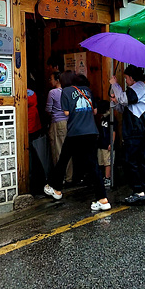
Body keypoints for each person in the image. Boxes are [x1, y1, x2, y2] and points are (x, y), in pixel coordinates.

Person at [44, 71, 110, 211]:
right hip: (91, 131)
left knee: (63, 160)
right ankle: (103, 199)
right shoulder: (87, 90)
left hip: (75, 131)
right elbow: (95, 111)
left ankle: (56, 189)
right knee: (93, 165)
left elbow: (66, 112)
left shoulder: (66, 91)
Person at [109, 65, 145, 205]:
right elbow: (124, 107)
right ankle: (143, 192)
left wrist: (115, 85)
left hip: (135, 131)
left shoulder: (138, 87)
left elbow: (124, 100)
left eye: (126, 78)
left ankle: (138, 191)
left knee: (132, 161)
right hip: (137, 130)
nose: (126, 81)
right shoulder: (138, 89)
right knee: (139, 162)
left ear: (132, 78)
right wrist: (115, 101)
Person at [45, 72, 72, 184]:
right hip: (68, 122)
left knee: (58, 150)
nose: (49, 81)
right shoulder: (68, 91)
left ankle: (60, 177)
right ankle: (69, 176)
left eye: (51, 78)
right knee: (68, 150)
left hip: (57, 122)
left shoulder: (53, 92)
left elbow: (48, 109)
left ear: (57, 80)